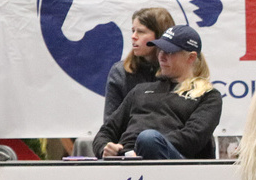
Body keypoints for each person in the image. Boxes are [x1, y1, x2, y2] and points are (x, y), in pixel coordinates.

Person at [92, 25, 221, 160]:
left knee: (148, 139)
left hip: (174, 164)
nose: (162, 56)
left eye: (170, 52)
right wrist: (105, 148)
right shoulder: (140, 90)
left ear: (191, 57)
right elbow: (106, 131)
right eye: (160, 50)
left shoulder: (207, 95)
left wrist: (142, 148)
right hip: (127, 158)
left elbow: (193, 138)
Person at [104, 7, 175, 122]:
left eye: (141, 32)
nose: (133, 36)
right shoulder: (120, 72)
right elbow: (110, 124)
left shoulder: (179, 71)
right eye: (133, 31)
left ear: (160, 36)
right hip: (129, 138)